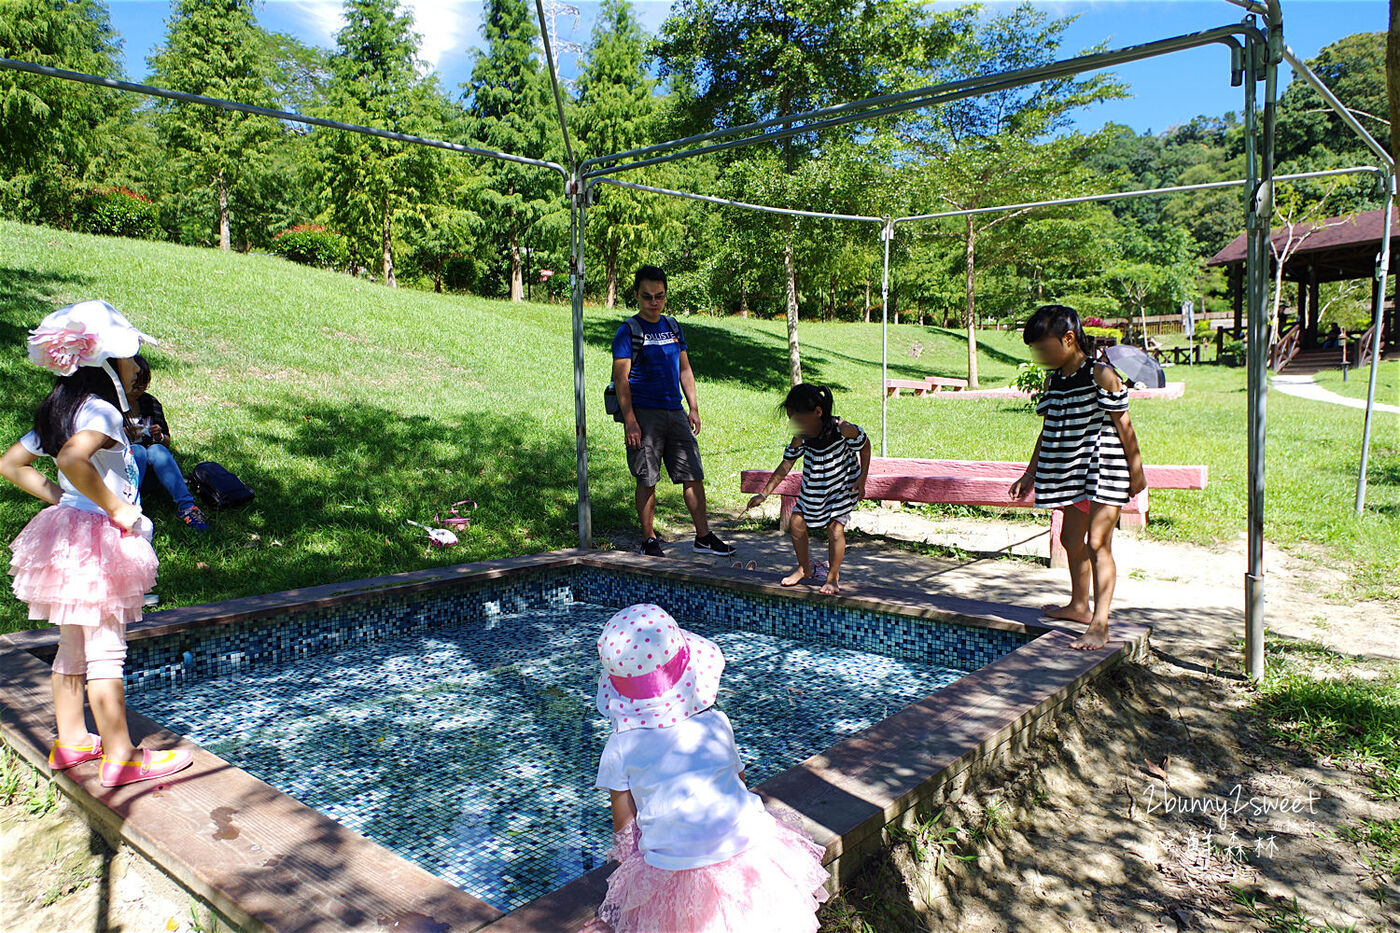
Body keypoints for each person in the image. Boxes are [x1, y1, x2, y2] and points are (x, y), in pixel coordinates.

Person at [0, 300, 194, 787]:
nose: (136, 368)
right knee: (107, 648)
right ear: (107, 363)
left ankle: (71, 741)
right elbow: (71, 457)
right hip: (99, 543)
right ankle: (122, 756)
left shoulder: (62, 408)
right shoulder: (103, 411)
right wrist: (114, 507)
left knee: (72, 645)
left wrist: (64, 500)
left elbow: (11, 463)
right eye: (130, 358)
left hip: (66, 537)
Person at [585, 604, 830, 933]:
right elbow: (739, 782)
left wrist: (627, 885)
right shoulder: (715, 720)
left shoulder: (621, 746)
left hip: (676, 866)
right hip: (751, 850)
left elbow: (625, 830)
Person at [1009, 304, 1147, 651]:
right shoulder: (1054, 379)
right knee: (1072, 541)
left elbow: (1124, 425)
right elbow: (1048, 426)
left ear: (1068, 339)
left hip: (1104, 468)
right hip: (1070, 471)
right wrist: (1030, 472)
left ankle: (1100, 624)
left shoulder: (1101, 375)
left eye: (1043, 348)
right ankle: (1078, 606)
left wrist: (1137, 473)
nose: (1040, 356)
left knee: (1098, 544)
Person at [612, 266, 735, 559]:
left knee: (693, 474)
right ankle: (649, 540)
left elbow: (685, 368)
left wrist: (693, 407)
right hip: (644, 415)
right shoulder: (628, 331)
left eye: (659, 296)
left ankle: (703, 536)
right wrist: (630, 420)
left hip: (675, 411)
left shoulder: (673, 326)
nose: (653, 302)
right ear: (637, 296)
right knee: (647, 478)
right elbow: (621, 379)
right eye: (647, 297)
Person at [746, 384, 869, 595]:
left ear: (818, 412)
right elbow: (786, 464)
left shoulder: (842, 429)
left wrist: (862, 478)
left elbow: (865, 446)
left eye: (800, 420)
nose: (796, 426)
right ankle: (804, 569)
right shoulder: (801, 436)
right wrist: (763, 494)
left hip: (841, 488)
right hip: (815, 489)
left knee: (835, 529)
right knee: (796, 523)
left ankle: (832, 577)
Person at [127, 355, 209, 532]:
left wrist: (159, 436)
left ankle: (188, 507)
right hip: (125, 474)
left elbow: (167, 443)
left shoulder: (150, 403)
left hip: (156, 473)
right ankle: (130, 506)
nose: (137, 391)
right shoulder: (111, 406)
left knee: (157, 450)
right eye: (134, 385)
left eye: (143, 386)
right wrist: (122, 435)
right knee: (138, 451)